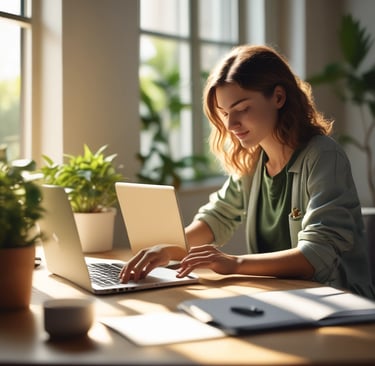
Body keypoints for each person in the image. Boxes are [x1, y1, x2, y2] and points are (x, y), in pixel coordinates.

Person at [120, 44, 375, 299]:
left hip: (339, 302)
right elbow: (218, 216)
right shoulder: (252, 159)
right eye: (225, 113)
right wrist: (169, 248)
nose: (231, 124)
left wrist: (234, 263)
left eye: (242, 108)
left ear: (278, 97)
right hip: (284, 296)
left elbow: (317, 254)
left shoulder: (323, 156)